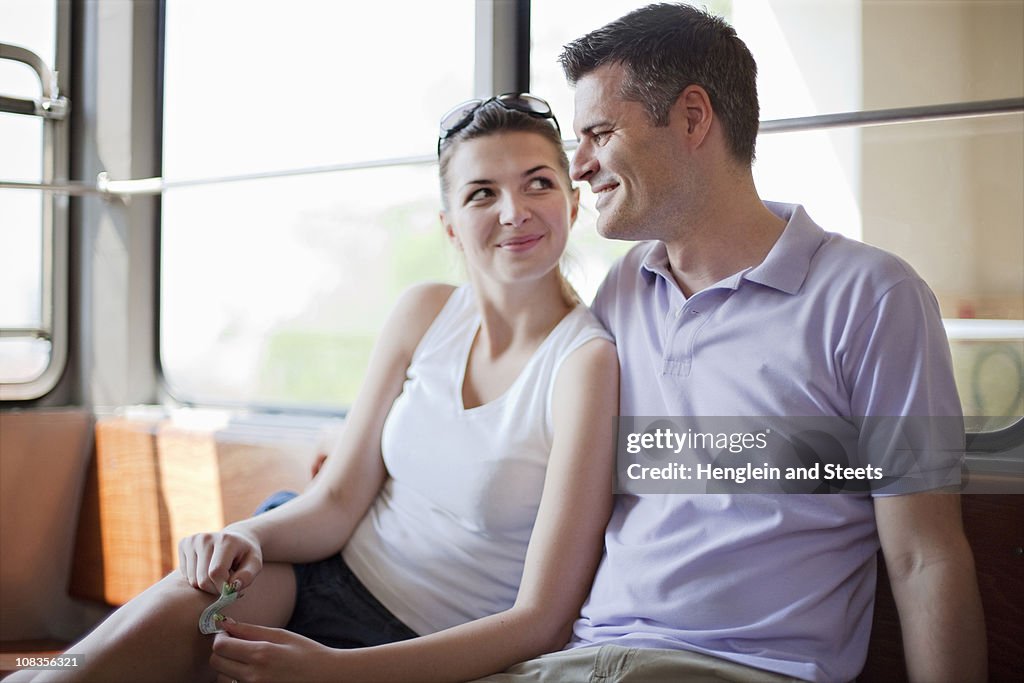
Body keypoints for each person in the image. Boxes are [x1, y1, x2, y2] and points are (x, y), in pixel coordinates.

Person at [10, 95, 618, 683]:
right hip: (317, 567)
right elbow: (335, 502)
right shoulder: (425, 312)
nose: (514, 210)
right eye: (482, 193)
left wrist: (335, 672)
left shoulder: (583, 364)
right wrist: (242, 535)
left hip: (421, 647)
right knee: (72, 672)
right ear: (451, 227)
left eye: (538, 182)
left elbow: (540, 621)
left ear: (570, 204)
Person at [475, 4, 986, 683]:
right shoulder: (623, 290)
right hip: (578, 660)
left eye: (599, 133)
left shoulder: (872, 297)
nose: (580, 165)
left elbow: (925, 556)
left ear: (692, 118)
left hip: (737, 668)